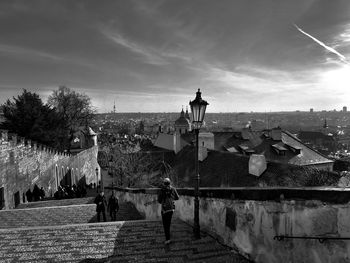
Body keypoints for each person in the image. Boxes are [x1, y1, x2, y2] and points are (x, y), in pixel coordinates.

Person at [157, 178, 179, 245]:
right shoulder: (173, 189)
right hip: (171, 209)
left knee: (165, 225)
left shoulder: (162, 190)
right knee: (168, 223)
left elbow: (159, 201)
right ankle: (168, 237)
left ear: (164, 183)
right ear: (170, 183)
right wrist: (171, 198)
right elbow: (177, 197)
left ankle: (168, 239)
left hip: (164, 209)